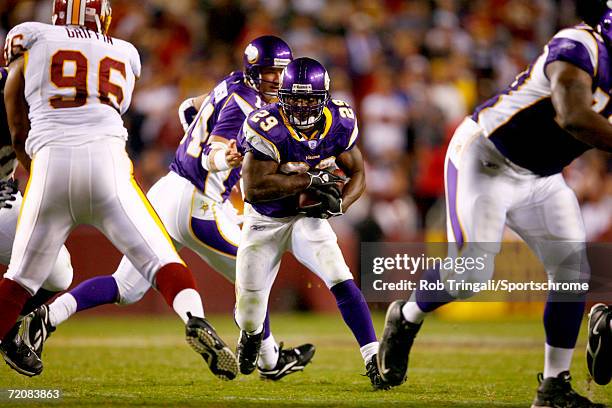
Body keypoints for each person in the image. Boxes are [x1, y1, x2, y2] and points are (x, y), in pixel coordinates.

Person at [16, 35, 315, 381]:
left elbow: (188, 109)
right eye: (269, 73)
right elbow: (210, 154)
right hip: (198, 203)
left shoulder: (229, 84)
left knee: (125, 287)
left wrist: (208, 149)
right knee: (256, 273)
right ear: (253, 72)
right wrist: (223, 159)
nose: (276, 80)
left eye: (280, 73)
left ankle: (47, 318)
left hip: (168, 190)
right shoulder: (247, 104)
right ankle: (268, 359)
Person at [377, 1, 612, 406]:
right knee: (470, 275)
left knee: (572, 271)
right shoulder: (580, 45)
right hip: (486, 158)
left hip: (540, 177)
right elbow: (573, 116)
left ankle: (553, 386)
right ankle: (407, 315)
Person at [0, 0, 238, 381]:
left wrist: (31, 165)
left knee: (19, 281)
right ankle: (194, 317)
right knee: (164, 261)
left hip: (51, 161)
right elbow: (112, 104)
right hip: (109, 165)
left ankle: (22, 329)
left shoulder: (32, 36)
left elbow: (15, 117)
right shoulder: (124, 52)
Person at [235, 57, 387, 389]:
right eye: (296, 98)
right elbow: (253, 189)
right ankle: (250, 334)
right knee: (248, 311)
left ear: (325, 98)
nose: (303, 107)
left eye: (309, 99)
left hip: (307, 218)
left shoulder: (339, 122)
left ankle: (375, 360)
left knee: (340, 276)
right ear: (283, 97)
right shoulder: (266, 126)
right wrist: (310, 182)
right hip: (265, 221)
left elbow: (359, 172)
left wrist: (340, 205)